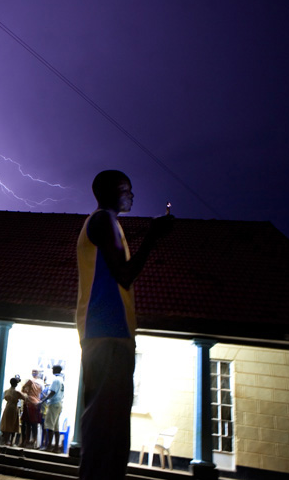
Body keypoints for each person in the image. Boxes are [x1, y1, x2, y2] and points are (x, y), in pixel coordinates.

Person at [76, 170, 173, 480]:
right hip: (106, 335)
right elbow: (125, 274)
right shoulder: (103, 221)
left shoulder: (110, 222)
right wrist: (152, 236)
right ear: (110, 192)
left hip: (111, 336)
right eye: (126, 190)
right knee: (107, 428)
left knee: (111, 427)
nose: (132, 196)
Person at [39, 364, 65, 452]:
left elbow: (52, 392)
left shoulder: (55, 380)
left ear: (56, 370)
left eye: (53, 369)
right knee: (56, 426)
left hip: (53, 404)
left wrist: (43, 400)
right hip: (59, 403)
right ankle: (56, 447)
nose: (52, 370)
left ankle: (49, 446)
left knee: (50, 425)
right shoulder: (61, 380)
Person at [0, 376, 27, 446]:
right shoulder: (17, 392)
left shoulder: (6, 391)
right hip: (14, 408)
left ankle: (6, 440)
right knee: (13, 424)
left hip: (7, 407)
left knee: (6, 424)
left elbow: (2, 398)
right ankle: (11, 441)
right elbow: (25, 398)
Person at [20, 369, 44, 448]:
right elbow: (41, 393)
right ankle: (33, 441)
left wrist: (26, 393)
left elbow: (23, 389)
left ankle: (25, 441)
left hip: (29, 403)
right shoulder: (41, 383)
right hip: (37, 404)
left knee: (26, 423)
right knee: (33, 424)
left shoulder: (30, 381)